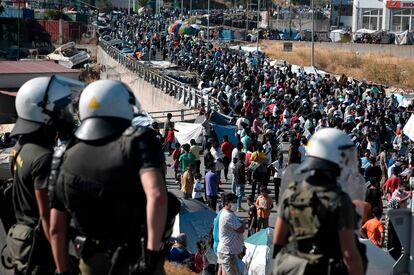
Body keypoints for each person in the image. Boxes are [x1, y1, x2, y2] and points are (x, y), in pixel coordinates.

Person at [48, 80, 174, 275]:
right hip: (134, 256)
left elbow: (56, 229)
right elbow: (157, 195)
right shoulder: (139, 141)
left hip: (90, 260)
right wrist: (150, 256)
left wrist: (63, 270)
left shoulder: (63, 155)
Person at [4, 76, 84, 275]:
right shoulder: (43, 158)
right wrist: (63, 268)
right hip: (41, 252)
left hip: (22, 242)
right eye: (61, 109)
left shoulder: (21, 147)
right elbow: (48, 218)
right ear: (42, 112)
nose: (66, 115)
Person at [273, 128, 365, 275]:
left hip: (291, 268)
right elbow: (350, 255)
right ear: (336, 158)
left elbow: (278, 240)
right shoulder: (340, 200)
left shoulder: (292, 191)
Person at [217, 193, 245, 275]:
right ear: (226, 203)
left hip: (229, 251)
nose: (235, 204)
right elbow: (241, 230)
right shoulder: (228, 215)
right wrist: (243, 223)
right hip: (227, 252)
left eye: (236, 202)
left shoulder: (228, 213)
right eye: (233, 202)